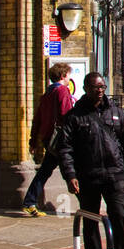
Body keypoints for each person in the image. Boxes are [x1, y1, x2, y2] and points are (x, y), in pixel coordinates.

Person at [52, 72, 124, 249]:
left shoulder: (116, 112)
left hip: (114, 174)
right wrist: (70, 175)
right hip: (88, 176)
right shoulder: (75, 116)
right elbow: (65, 149)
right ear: (85, 88)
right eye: (94, 87)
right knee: (90, 224)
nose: (99, 90)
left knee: (119, 219)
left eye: (102, 86)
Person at [22, 62, 74, 217]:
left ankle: (29, 202)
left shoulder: (46, 94)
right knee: (70, 171)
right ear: (63, 75)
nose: (69, 78)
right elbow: (67, 114)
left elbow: (37, 119)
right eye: (68, 75)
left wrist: (33, 141)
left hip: (48, 139)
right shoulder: (62, 90)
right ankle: (87, 206)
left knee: (45, 171)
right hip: (60, 139)